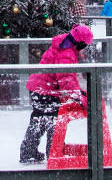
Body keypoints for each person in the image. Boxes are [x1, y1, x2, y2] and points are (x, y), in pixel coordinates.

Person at [19, 23, 93, 164]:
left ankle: (30, 152)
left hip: (40, 88)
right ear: (80, 42)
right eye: (84, 45)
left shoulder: (64, 45)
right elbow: (66, 79)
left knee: (39, 121)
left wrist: (79, 92)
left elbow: (68, 78)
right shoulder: (67, 53)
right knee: (53, 123)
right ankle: (53, 152)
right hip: (46, 91)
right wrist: (79, 97)